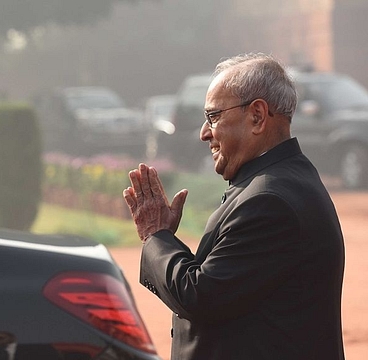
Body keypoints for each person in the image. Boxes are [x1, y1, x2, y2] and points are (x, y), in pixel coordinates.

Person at [123, 53, 345, 359]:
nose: (204, 133)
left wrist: (156, 236)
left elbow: (200, 296)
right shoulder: (280, 182)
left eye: (213, 117)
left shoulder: (269, 200)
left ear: (256, 115)